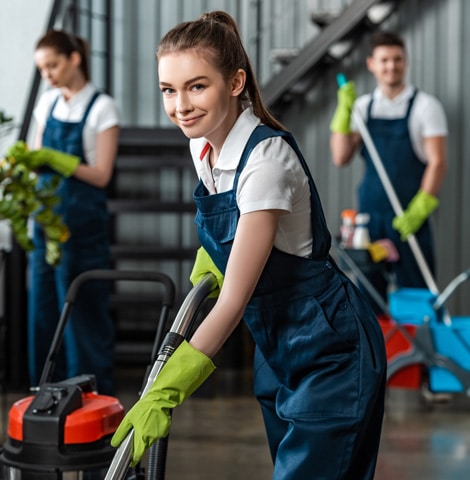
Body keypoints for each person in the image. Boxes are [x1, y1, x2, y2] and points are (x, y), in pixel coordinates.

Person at [111, 11, 386, 479]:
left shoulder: (266, 164)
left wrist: (165, 391)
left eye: (197, 86)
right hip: (277, 347)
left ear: (235, 81)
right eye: (168, 90)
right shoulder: (204, 146)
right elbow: (240, 238)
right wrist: (216, 258)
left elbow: (233, 303)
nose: (180, 106)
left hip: (330, 350)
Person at [13, 30, 120, 395]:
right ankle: (45, 394)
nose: (48, 75)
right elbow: (35, 159)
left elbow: (102, 174)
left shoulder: (103, 108)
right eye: (42, 69)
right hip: (45, 223)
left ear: (74, 59)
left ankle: (90, 396)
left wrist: (59, 159)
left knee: (83, 309)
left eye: (53, 65)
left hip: (82, 226)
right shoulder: (48, 104)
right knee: (44, 309)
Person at [330, 30, 448, 313]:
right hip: (370, 221)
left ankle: (418, 356)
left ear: (405, 61)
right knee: (370, 299)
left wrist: (421, 207)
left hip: (409, 220)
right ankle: (381, 356)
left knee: (417, 297)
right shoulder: (362, 107)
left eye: (397, 59)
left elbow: (437, 161)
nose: (391, 66)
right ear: (372, 63)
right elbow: (340, 156)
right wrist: (343, 114)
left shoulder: (425, 107)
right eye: (384, 60)